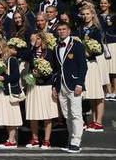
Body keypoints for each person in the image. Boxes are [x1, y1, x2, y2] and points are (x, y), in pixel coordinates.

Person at [52, 21, 87, 154]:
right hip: (61, 85)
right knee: (67, 115)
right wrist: (55, 86)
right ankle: (71, 139)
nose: (61, 31)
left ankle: (76, 142)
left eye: (63, 29)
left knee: (76, 114)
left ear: (69, 30)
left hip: (74, 85)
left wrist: (80, 84)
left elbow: (83, 66)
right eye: (59, 29)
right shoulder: (56, 47)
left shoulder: (77, 45)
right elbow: (56, 69)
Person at [24, 32, 57, 149]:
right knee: (34, 114)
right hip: (34, 86)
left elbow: (54, 69)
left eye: (38, 39)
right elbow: (24, 56)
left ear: (42, 39)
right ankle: (35, 139)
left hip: (46, 86)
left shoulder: (50, 52)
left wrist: (46, 76)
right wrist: (32, 46)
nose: (36, 41)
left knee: (47, 115)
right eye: (34, 39)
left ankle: (47, 140)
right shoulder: (31, 52)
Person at [78, 4, 105, 132]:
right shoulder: (80, 29)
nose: (85, 16)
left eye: (87, 14)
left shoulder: (96, 29)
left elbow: (99, 48)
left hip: (94, 62)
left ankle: (98, 122)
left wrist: (90, 52)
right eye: (83, 14)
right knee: (90, 94)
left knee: (97, 94)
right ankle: (93, 121)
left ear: (92, 14)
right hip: (83, 64)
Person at [0, 38, 22, 149]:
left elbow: (16, 76)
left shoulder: (11, 60)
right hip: (1, 91)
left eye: (0, 46)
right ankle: (10, 139)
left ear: (4, 46)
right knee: (6, 116)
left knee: (11, 116)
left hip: (9, 92)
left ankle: (12, 140)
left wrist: (3, 78)